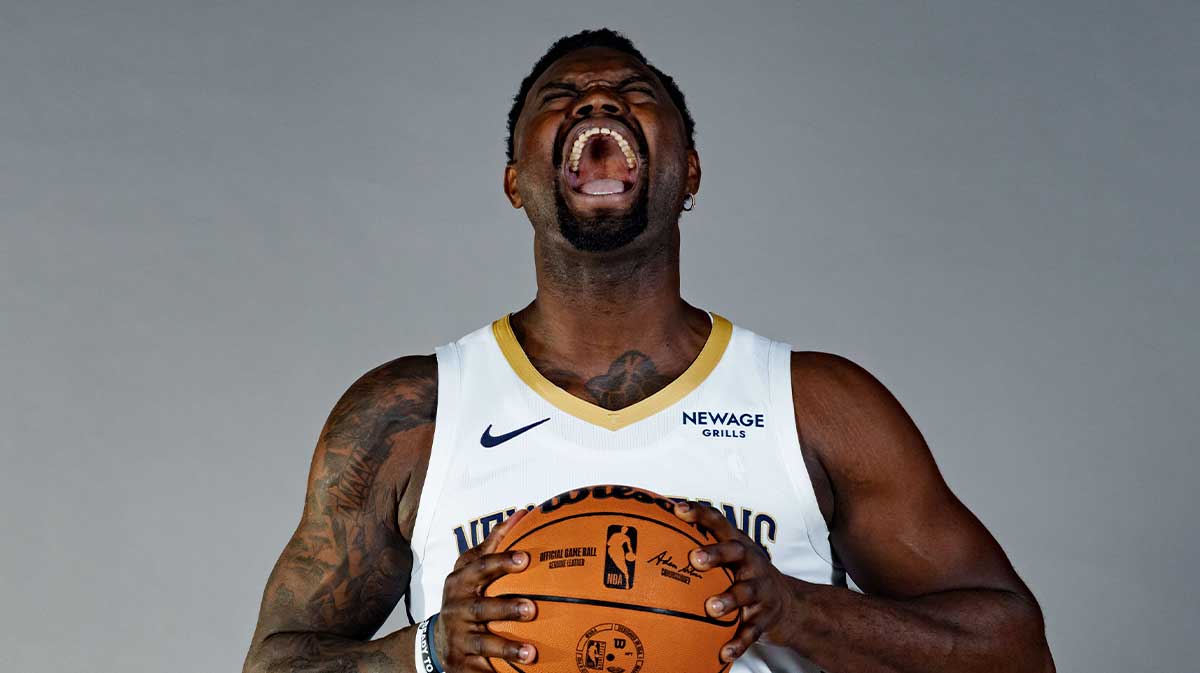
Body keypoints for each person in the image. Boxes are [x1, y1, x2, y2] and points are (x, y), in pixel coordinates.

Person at [243, 28, 1054, 673]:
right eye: (560, 98)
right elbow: (273, 665)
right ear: (515, 181)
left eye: (635, 94)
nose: (597, 99)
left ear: (688, 172)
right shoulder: (412, 416)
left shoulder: (813, 405)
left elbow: (1016, 649)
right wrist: (426, 651)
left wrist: (798, 609)